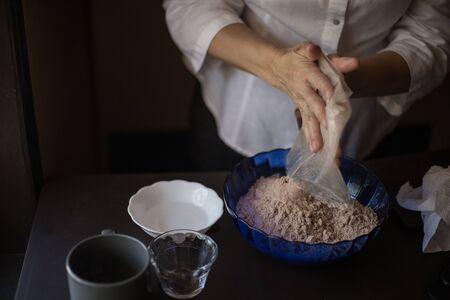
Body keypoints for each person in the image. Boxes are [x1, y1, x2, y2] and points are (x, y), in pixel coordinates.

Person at [163, 0, 450, 170]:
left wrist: (352, 80)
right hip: (240, 119)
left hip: (363, 126)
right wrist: (277, 66)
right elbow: (191, 5)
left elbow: (432, 30)